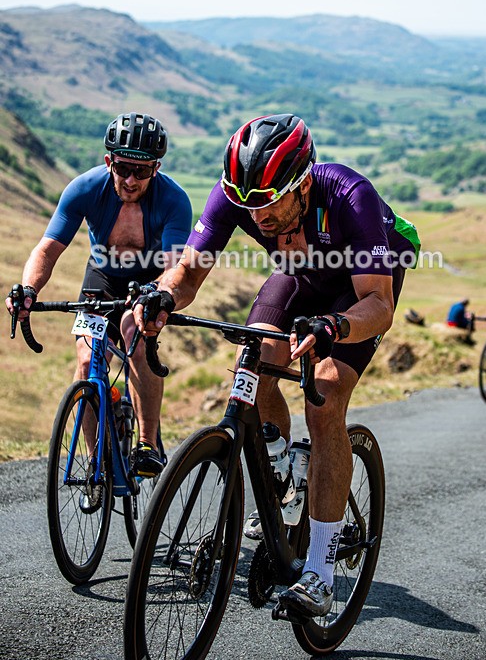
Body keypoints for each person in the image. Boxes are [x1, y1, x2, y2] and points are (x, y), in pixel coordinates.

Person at [132, 113, 420, 616]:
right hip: (300, 271)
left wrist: (334, 327)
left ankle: (320, 573)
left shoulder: (350, 196)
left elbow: (378, 305)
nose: (257, 215)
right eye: (246, 203)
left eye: (268, 201)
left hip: (361, 288)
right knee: (253, 360)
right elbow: (188, 273)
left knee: (325, 396)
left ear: (303, 185)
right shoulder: (236, 196)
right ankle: (281, 467)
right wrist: (162, 296)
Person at [6, 112, 192, 477]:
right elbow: (47, 250)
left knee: (135, 335)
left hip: (151, 281)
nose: (130, 179)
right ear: (109, 161)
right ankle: (95, 465)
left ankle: (148, 443)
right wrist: (29, 289)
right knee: (86, 359)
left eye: (141, 171)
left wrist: (155, 295)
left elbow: (175, 269)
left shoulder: (174, 200)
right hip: (102, 278)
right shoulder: (85, 188)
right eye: (123, 168)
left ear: (155, 168)